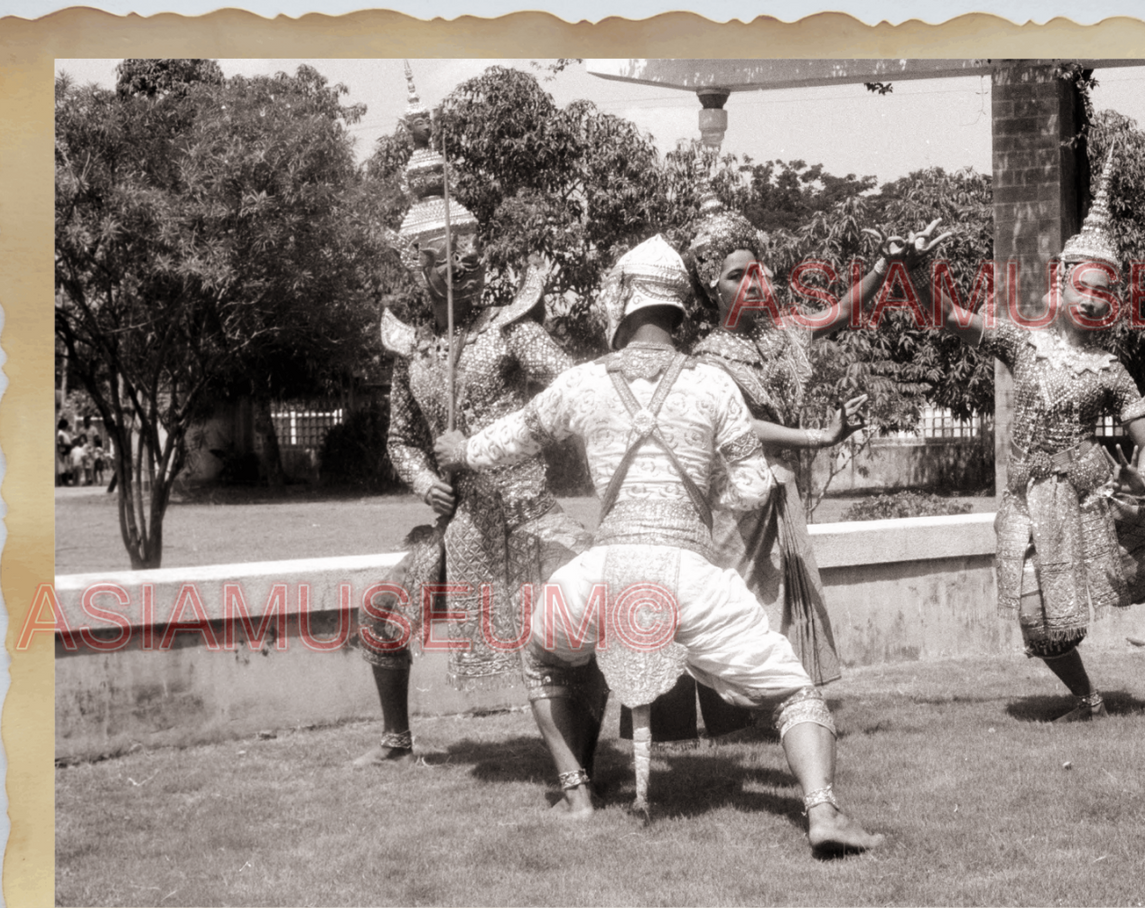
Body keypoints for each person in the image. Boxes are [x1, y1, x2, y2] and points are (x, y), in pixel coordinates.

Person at [434, 235, 884, 855]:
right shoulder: (713, 385)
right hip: (689, 576)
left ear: (621, 301)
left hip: (602, 576)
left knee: (541, 654)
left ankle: (577, 796)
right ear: (678, 309)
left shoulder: (584, 382)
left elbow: (509, 440)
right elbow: (754, 487)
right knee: (792, 688)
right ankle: (823, 810)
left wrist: (461, 449)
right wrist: (703, 504)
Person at [625, 197, 945, 741]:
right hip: (732, 503)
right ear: (713, 292)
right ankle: (724, 720)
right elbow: (740, 427)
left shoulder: (783, 335)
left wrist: (886, 265)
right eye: (735, 275)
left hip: (777, 494)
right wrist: (817, 437)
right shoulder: (706, 359)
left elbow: (842, 311)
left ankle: (756, 719)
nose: (754, 282)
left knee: (772, 606)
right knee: (737, 607)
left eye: (758, 271)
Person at [352, 67, 592, 767]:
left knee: (550, 633)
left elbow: (573, 389)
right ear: (415, 267)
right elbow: (400, 436)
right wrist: (422, 474)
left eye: (461, 253)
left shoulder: (511, 328)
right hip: (456, 513)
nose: (454, 267)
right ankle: (396, 738)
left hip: (520, 507)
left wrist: (494, 442)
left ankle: (578, 758)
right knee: (382, 611)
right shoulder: (412, 346)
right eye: (435, 258)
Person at [927, 153, 1145, 721]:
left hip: (1080, 493)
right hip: (1025, 496)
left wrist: (1142, 474)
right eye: (1083, 287)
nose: (1090, 300)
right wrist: (917, 270)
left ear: (1113, 302)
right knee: (1033, 614)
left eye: (1103, 294)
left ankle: (1087, 701)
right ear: (1060, 283)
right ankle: (1087, 697)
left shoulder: (1109, 368)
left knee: (1051, 613)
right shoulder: (1020, 343)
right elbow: (952, 319)